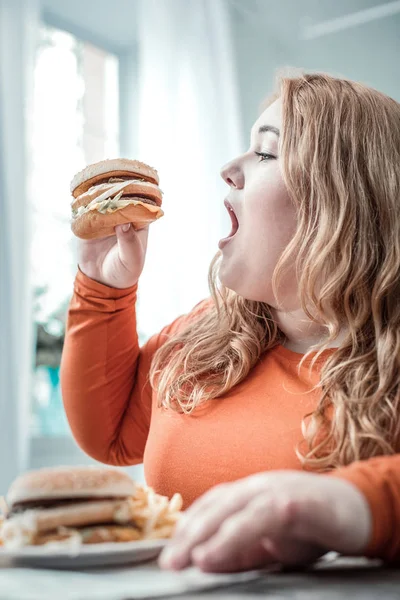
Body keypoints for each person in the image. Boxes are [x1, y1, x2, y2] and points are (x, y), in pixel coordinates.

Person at [60, 72, 400, 573]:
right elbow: (108, 435)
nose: (228, 169)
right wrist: (102, 288)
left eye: (265, 154)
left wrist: (351, 503)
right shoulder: (204, 335)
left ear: (342, 199)